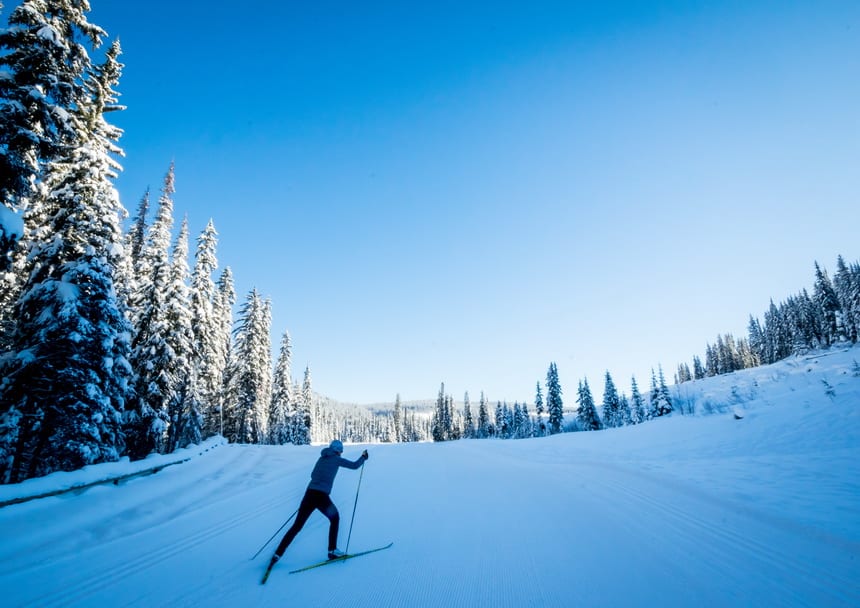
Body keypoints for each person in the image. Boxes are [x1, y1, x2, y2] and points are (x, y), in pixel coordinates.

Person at [266, 440, 368, 572]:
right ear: (338, 450)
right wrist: (363, 457)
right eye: (341, 451)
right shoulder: (336, 459)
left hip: (309, 494)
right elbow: (354, 466)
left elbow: (313, 475)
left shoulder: (322, 458)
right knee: (335, 518)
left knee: (297, 526)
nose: (341, 453)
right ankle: (332, 551)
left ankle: (277, 554)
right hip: (321, 496)